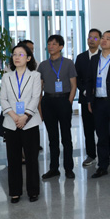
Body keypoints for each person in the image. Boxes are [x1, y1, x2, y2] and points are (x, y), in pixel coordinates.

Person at [0, 43, 42, 203]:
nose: (17, 57)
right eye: (14, 54)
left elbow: (35, 97)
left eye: (21, 54)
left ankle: (33, 191)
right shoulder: (7, 77)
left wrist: (25, 117)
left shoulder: (35, 76)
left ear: (28, 58)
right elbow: (2, 98)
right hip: (11, 122)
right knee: (13, 159)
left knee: (31, 158)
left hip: (30, 122)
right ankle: (15, 192)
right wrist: (14, 115)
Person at [38, 35, 78, 180]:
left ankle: (69, 168)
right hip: (48, 101)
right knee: (52, 138)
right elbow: (39, 88)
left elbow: (74, 85)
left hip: (63, 100)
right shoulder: (43, 65)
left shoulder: (68, 63)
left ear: (61, 47)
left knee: (66, 137)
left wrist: (69, 102)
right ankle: (53, 168)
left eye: (54, 44)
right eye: (49, 44)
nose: (51, 47)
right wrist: (39, 107)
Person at [87, 31, 110, 179]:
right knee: (102, 135)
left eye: (108, 38)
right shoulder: (94, 59)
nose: (104, 40)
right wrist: (89, 100)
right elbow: (89, 81)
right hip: (98, 102)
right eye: (103, 38)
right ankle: (102, 166)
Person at [75, 29, 101, 167]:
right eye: (90, 37)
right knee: (88, 128)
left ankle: (106, 154)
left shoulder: (104, 56)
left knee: (103, 128)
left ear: (100, 40)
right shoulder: (81, 57)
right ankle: (91, 155)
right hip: (86, 98)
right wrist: (85, 91)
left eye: (95, 38)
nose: (92, 40)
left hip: (101, 98)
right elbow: (76, 78)